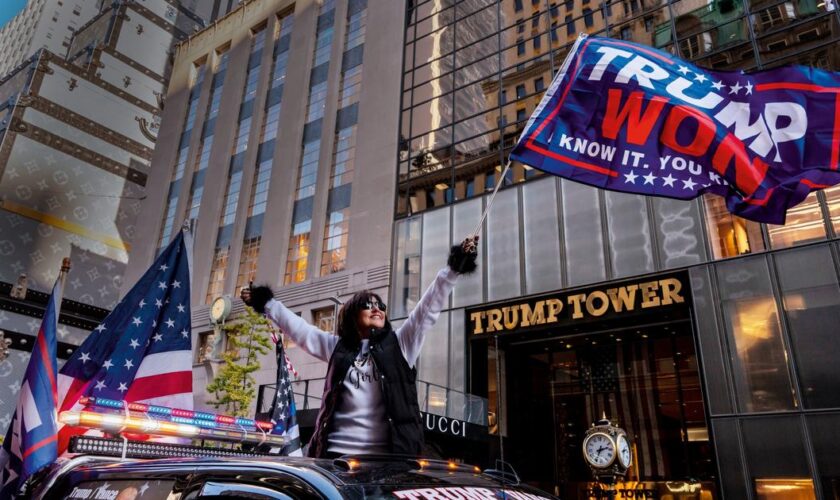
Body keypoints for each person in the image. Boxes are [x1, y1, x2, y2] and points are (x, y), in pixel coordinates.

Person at [241, 236, 479, 458]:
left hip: (389, 461)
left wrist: (454, 268)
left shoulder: (402, 343)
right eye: (367, 305)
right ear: (353, 316)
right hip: (334, 458)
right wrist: (266, 303)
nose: (376, 309)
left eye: (380, 305)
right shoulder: (337, 348)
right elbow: (299, 330)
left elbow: (428, 308)